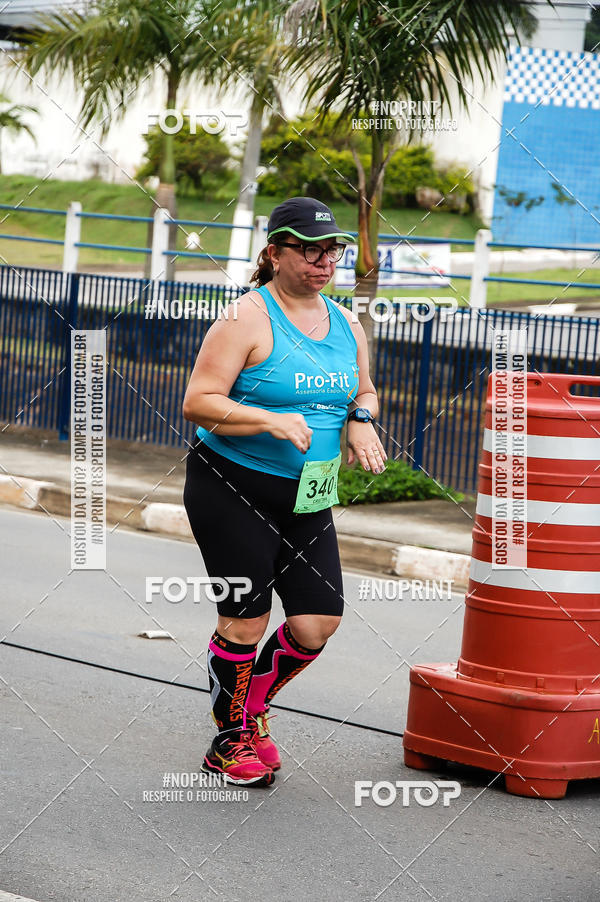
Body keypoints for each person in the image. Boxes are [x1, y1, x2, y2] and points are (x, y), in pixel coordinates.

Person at [182, 196, 387, 786]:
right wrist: (269, 419)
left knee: (316, 623)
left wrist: (361, 420)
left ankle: (250, 708)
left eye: (333, 250)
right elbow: (199, 401)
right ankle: (230, 741)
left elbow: (365, 392)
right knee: (245, 620)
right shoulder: (246, 317)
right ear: (275, 252)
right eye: (310, 248)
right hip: (232, 484)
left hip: (309, 494)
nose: (325, 260)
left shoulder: (346, 324)